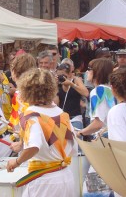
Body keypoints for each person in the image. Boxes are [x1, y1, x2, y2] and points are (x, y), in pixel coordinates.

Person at [6, 68, 77, 197]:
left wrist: (16, 162)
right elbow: (73, 148)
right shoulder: (61, 113)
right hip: (66, 177)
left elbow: (33, 146)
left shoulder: (31, 115)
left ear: (26, 90)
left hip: (45, 182)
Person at [76, 58, 115, 139]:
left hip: (102, 138)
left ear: (97, 71)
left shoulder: (97, 91)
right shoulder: (110, 89)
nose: (87, 72)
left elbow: (98, 124)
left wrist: (80, 132)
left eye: (89, 69)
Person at [55, 62, 89, 130]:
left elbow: (86, 93)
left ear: (70, 74)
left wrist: (72, 84)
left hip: (75, 117)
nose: (62, 78)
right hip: (62, 118)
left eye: (64, 76)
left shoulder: (76, 80)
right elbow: (56, 103)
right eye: (59, 76)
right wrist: (55, 86)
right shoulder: (58, 85)